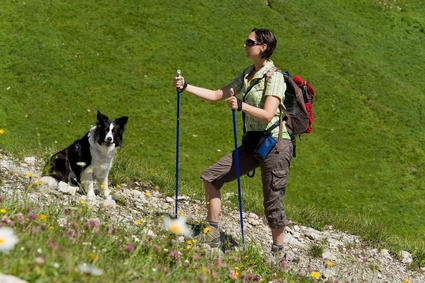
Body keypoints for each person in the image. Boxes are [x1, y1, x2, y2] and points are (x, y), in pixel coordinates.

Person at [173, 28, 293, 254]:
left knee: (272, 203)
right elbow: (217, 94)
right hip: (253, 143)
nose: (245, 45)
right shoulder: (248, 74)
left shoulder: (274, 76)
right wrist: (186, 86)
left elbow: (268, 114)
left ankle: (279, 253)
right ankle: (213, 236)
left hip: (276, 144)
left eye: (250, 42)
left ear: (263, 47)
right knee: (211, 177)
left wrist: (241, 105)